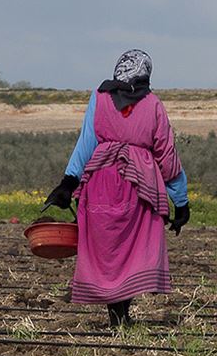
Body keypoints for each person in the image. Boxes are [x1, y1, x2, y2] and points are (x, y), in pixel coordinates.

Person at [45, 50, 189, 327]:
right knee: (131, 248)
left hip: (100, 181)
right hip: (140, 185)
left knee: (107, 246)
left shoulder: (99, 98)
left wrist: (69, 181)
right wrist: (180, 201)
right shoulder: (153, 105)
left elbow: (86, 141)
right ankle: (122, 313)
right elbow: (167, 155)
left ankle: (116, 315)